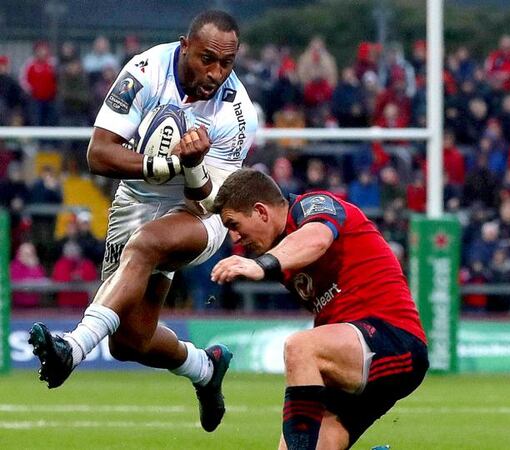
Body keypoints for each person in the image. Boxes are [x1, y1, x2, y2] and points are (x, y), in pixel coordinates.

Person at [28, 10, 258, 433]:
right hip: (135, 200)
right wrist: (167, 163)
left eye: (227, 63)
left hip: (197, 216)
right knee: (128, 341)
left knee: (147, 243)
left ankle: (72, 349)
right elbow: (98, 154)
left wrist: (192, 166)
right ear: (184, 46)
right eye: (207, 59)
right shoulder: (146, 71)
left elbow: (209, 200)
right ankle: (206, 368)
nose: (216, 72)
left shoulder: (238, 112)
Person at [209, 169, 428, 449]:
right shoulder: (282, 253)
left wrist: (261, 266)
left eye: (234, 224)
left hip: (392, 338)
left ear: (261, 211)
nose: (235, 238)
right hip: (348, 361)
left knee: (301, 347)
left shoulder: (310, 206)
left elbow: (317, 239)